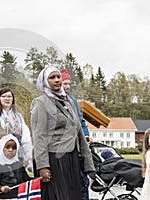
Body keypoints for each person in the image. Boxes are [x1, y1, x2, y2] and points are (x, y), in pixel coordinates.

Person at [30, 66, 95, 200]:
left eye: (58, 77)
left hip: (72, 158)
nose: (57, 80)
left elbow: (79, 132)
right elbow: (39, 137)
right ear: (45, 82)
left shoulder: (69, 101)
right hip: (54, 160)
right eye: (52, 77)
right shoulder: (40, 103)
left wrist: (88, 162)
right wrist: (43, 166)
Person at [60, 68, 92, 200]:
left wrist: (86, 134)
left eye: (68, 84)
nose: (67, 86)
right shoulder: (50, 101)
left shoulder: (72, 101)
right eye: (64, 83)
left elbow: (80, 121)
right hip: (62, 148)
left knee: (83, 180)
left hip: (77, 147)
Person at [0, 87, 32, 164]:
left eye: (9, 96)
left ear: (12, 99)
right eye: (4, 96)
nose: (7, 99)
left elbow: (25, 138)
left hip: (17, 156)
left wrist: (27, 156)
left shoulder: (18, 117)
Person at [0, 134, 30, 200]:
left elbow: (26, 179)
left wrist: (40, 179)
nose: (11, 150)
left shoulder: (18, 165)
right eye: (8, 147)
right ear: (2, 148)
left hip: (20, 196)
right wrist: (2, 188)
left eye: (14, 148)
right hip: (6, 197)